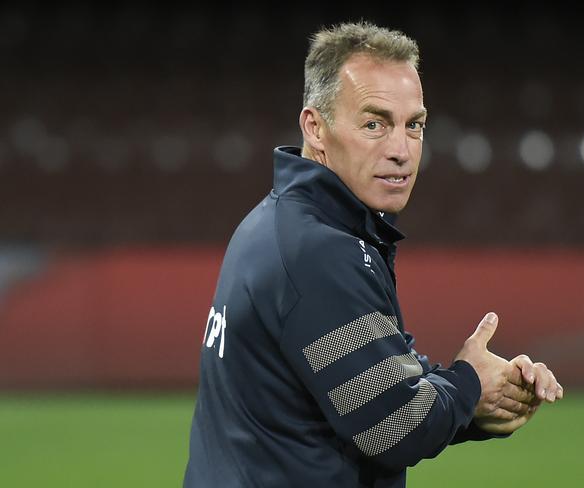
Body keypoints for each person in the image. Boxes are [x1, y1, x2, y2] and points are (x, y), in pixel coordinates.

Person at [184, 21, 562, 487]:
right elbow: (395, 425)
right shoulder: (320, 252)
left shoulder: (285, 223)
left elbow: (383, 389)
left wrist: (482, 396)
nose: (402, 151)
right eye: (374, 124)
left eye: (414, 125)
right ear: (316, 128)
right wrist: (470, 383)